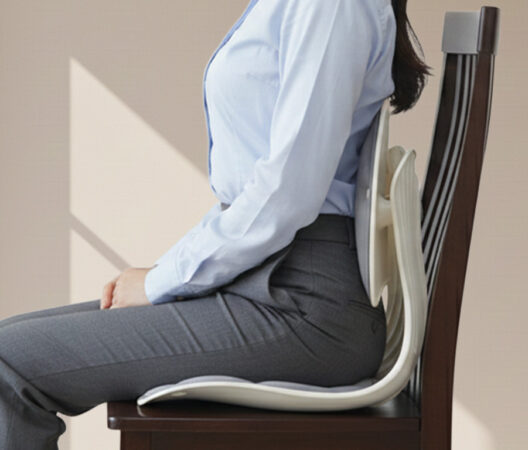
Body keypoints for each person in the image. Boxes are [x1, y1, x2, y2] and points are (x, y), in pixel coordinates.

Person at [0, 0, 430, 448]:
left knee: (9, 361)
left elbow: (287, 194)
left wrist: (161, 283)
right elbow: (254, 194)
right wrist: (166, 276)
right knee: (8, 348)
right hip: (269, 283)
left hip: (303, 305)